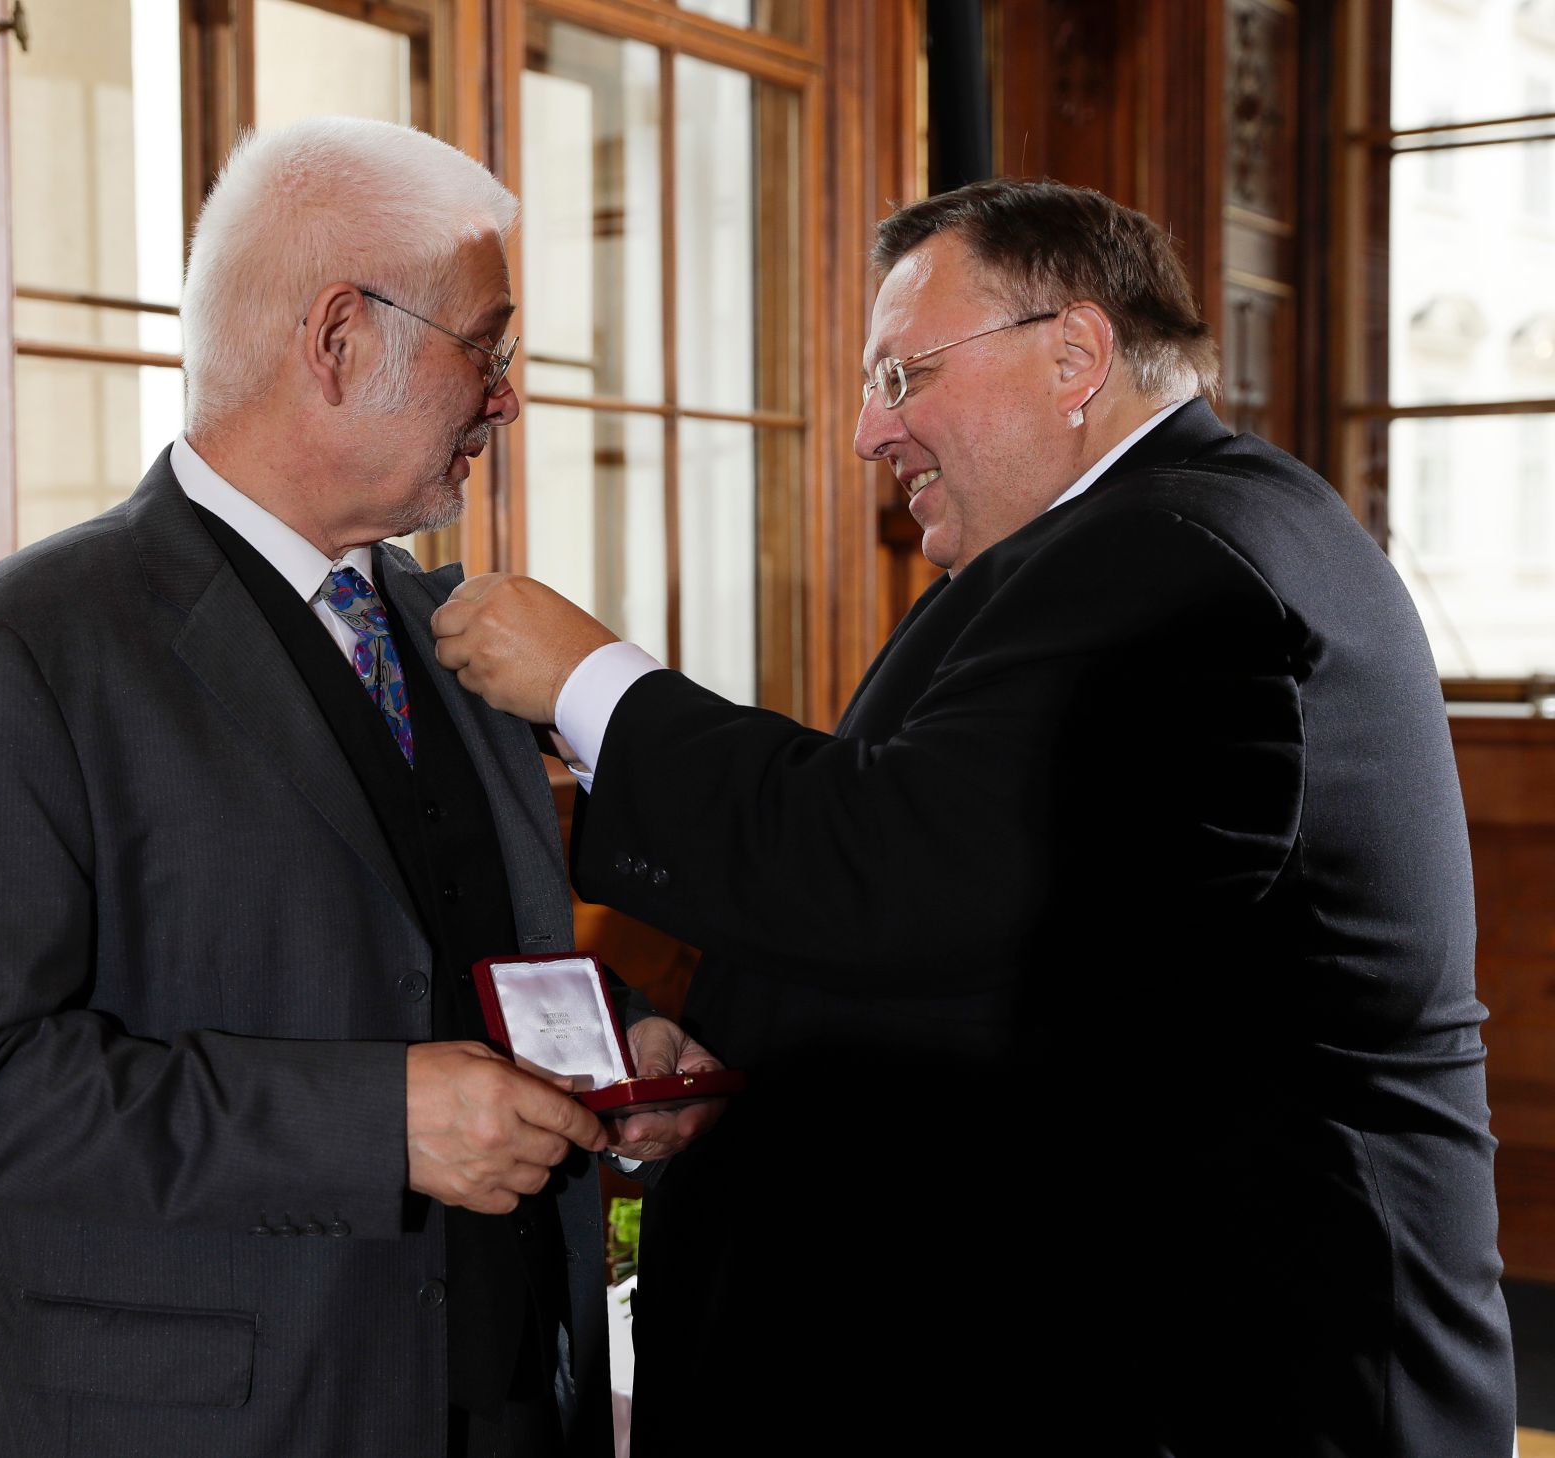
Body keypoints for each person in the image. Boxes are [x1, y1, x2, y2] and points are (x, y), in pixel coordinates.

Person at [430, 179, 1519, 1455]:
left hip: (1210, 1385)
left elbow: (898, 865)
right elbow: (1021, 948)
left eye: (898, 378)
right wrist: (729, 1067)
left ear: (1073, 356)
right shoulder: (1107, 546)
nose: (861, 435)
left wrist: (590, 683)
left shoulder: (1176, 558)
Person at [0, 117, 716, 1458]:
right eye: (486, 349)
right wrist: (372, 1123)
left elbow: (411, 945)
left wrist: (609, 1051)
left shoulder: (457, 629)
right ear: (334, 338)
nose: (506, 396)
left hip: (516, 1398)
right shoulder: (20, 648)